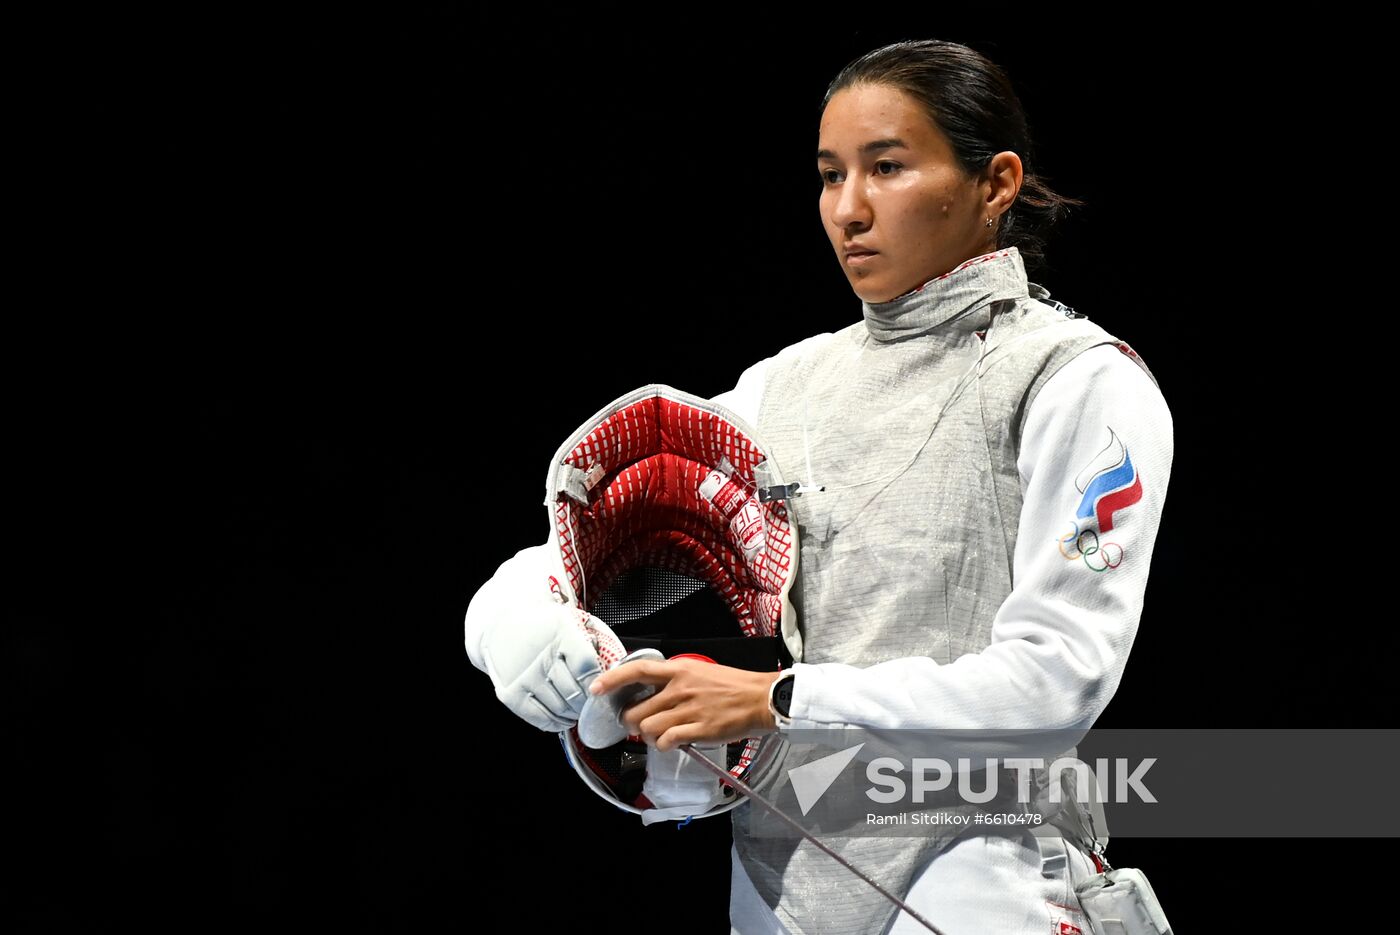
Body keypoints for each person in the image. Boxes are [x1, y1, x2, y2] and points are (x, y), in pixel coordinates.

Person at [465, 39, 1172, 935]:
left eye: (887, 168)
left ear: (995, 184)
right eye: (831, 176)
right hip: (777, 880)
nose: (850, 209)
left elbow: (1053, 682)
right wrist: (516, 616)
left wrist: (774, 698)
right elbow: (599, 536)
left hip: (979, 877)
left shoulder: (1075, 379)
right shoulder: (782, 388)